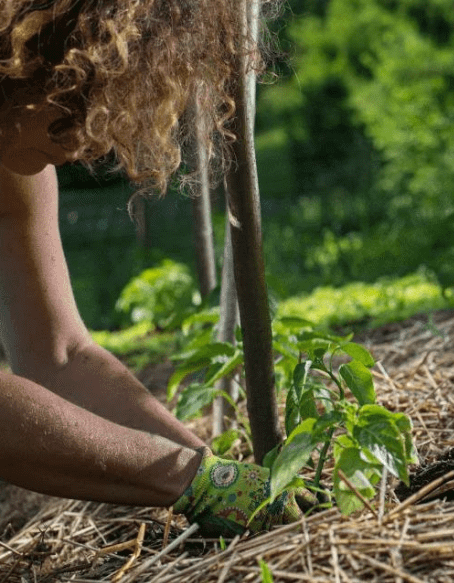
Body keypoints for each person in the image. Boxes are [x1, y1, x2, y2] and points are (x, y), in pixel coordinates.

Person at [0, 0, 314, 537]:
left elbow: (60, 356)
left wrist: (211, 470)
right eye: (73, 100)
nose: (90, 142)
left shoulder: (14, 163)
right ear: (22, 57)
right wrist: (183, 478)